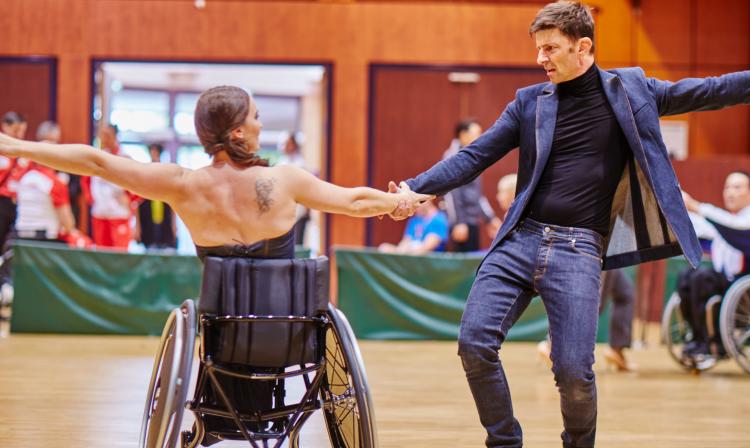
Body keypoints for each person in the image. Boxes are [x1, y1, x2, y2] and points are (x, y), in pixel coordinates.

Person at [386, 2, 750, 448]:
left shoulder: (632, 90)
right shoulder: (528, 103)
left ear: (583, 47)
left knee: (572, 372)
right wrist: (414, 189)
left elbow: (716, 89)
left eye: (550, 48)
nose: (540, 59)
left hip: (579, 249)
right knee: (474, 344)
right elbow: (474, 156)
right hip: (519, 239)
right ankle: (504, 443)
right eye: (538, 49)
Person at [0, 85, 431, 263]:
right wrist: (400, 202)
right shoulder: (285, 180)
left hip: (221, 323)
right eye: (258, 117)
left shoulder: (182, 185)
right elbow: (354, 202)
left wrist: (18, 146)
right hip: (286, 324)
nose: (263, 125)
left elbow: (95, 161)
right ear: (241, 131)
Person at [678, 171, 750, 368]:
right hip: (724, 284)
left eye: (737, 187)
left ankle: (710, 344)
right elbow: (696, 225)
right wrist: (677, 205)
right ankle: (697, 338)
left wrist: (696, 206)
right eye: (727, 187)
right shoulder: (722, 222)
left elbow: (731, 226)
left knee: (702, 277)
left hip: (747, 289)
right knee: (686, 276)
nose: (730, 192)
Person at [442, 119, 501, 252]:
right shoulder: (452, 157)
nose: (480, 137)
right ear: (463, 135)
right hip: (460, 224)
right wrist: (459, 222)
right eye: (477, 133)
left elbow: (477, 194)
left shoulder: (474, 157)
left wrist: (489, 218)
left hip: (472, 222)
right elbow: (451, 193)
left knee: (472, 267)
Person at [135, 143, 177, 250]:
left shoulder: (166, 173)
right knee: (149, 247)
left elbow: (173, 203)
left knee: (165, 248)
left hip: (164, 217)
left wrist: (174, 224)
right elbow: (137, 202)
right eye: (152, 153)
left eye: (156, 153)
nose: (154, 155)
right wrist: (137, 227)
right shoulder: (144, 173)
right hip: (148, 218)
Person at [378, 199, 448, 255]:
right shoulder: (415, 220)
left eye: (416, 201)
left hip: (428, 264)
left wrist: (403, 251)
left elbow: (426, 248)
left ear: (427, 199)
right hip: (410, 258)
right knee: (384, 248)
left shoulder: (439, 219)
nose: (414, 206)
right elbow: (405, 242)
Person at [0, 112, 28, 250]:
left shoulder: (25, 152)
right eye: (16, 130)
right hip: (1, 200)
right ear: (5, 127)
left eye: (22, 130)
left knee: (12, 242)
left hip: (17, 202)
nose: (19, 134)